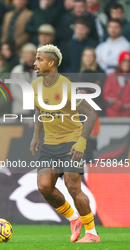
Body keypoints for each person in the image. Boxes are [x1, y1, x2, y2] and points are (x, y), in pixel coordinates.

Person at [30, 44, 100, 243]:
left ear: (51, 63)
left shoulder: (67, 87)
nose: (35, 63)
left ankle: (92, 234)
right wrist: (36, 136)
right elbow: (38, 111)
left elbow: (90, 114)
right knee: (44, 187)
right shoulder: (36, 86)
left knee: (72, 186)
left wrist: (81, 143)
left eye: (39, 59)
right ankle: (73, 218)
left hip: (71, 143)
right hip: (49, 145)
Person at [103, 51, 130, 117]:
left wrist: (125, 105)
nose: (126, 64)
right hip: (113, 113)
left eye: (128, 61)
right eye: (124, 61)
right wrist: (116, 102)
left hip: (128, 114)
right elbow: (106, 94)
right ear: (120, 63)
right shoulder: (112, 77)